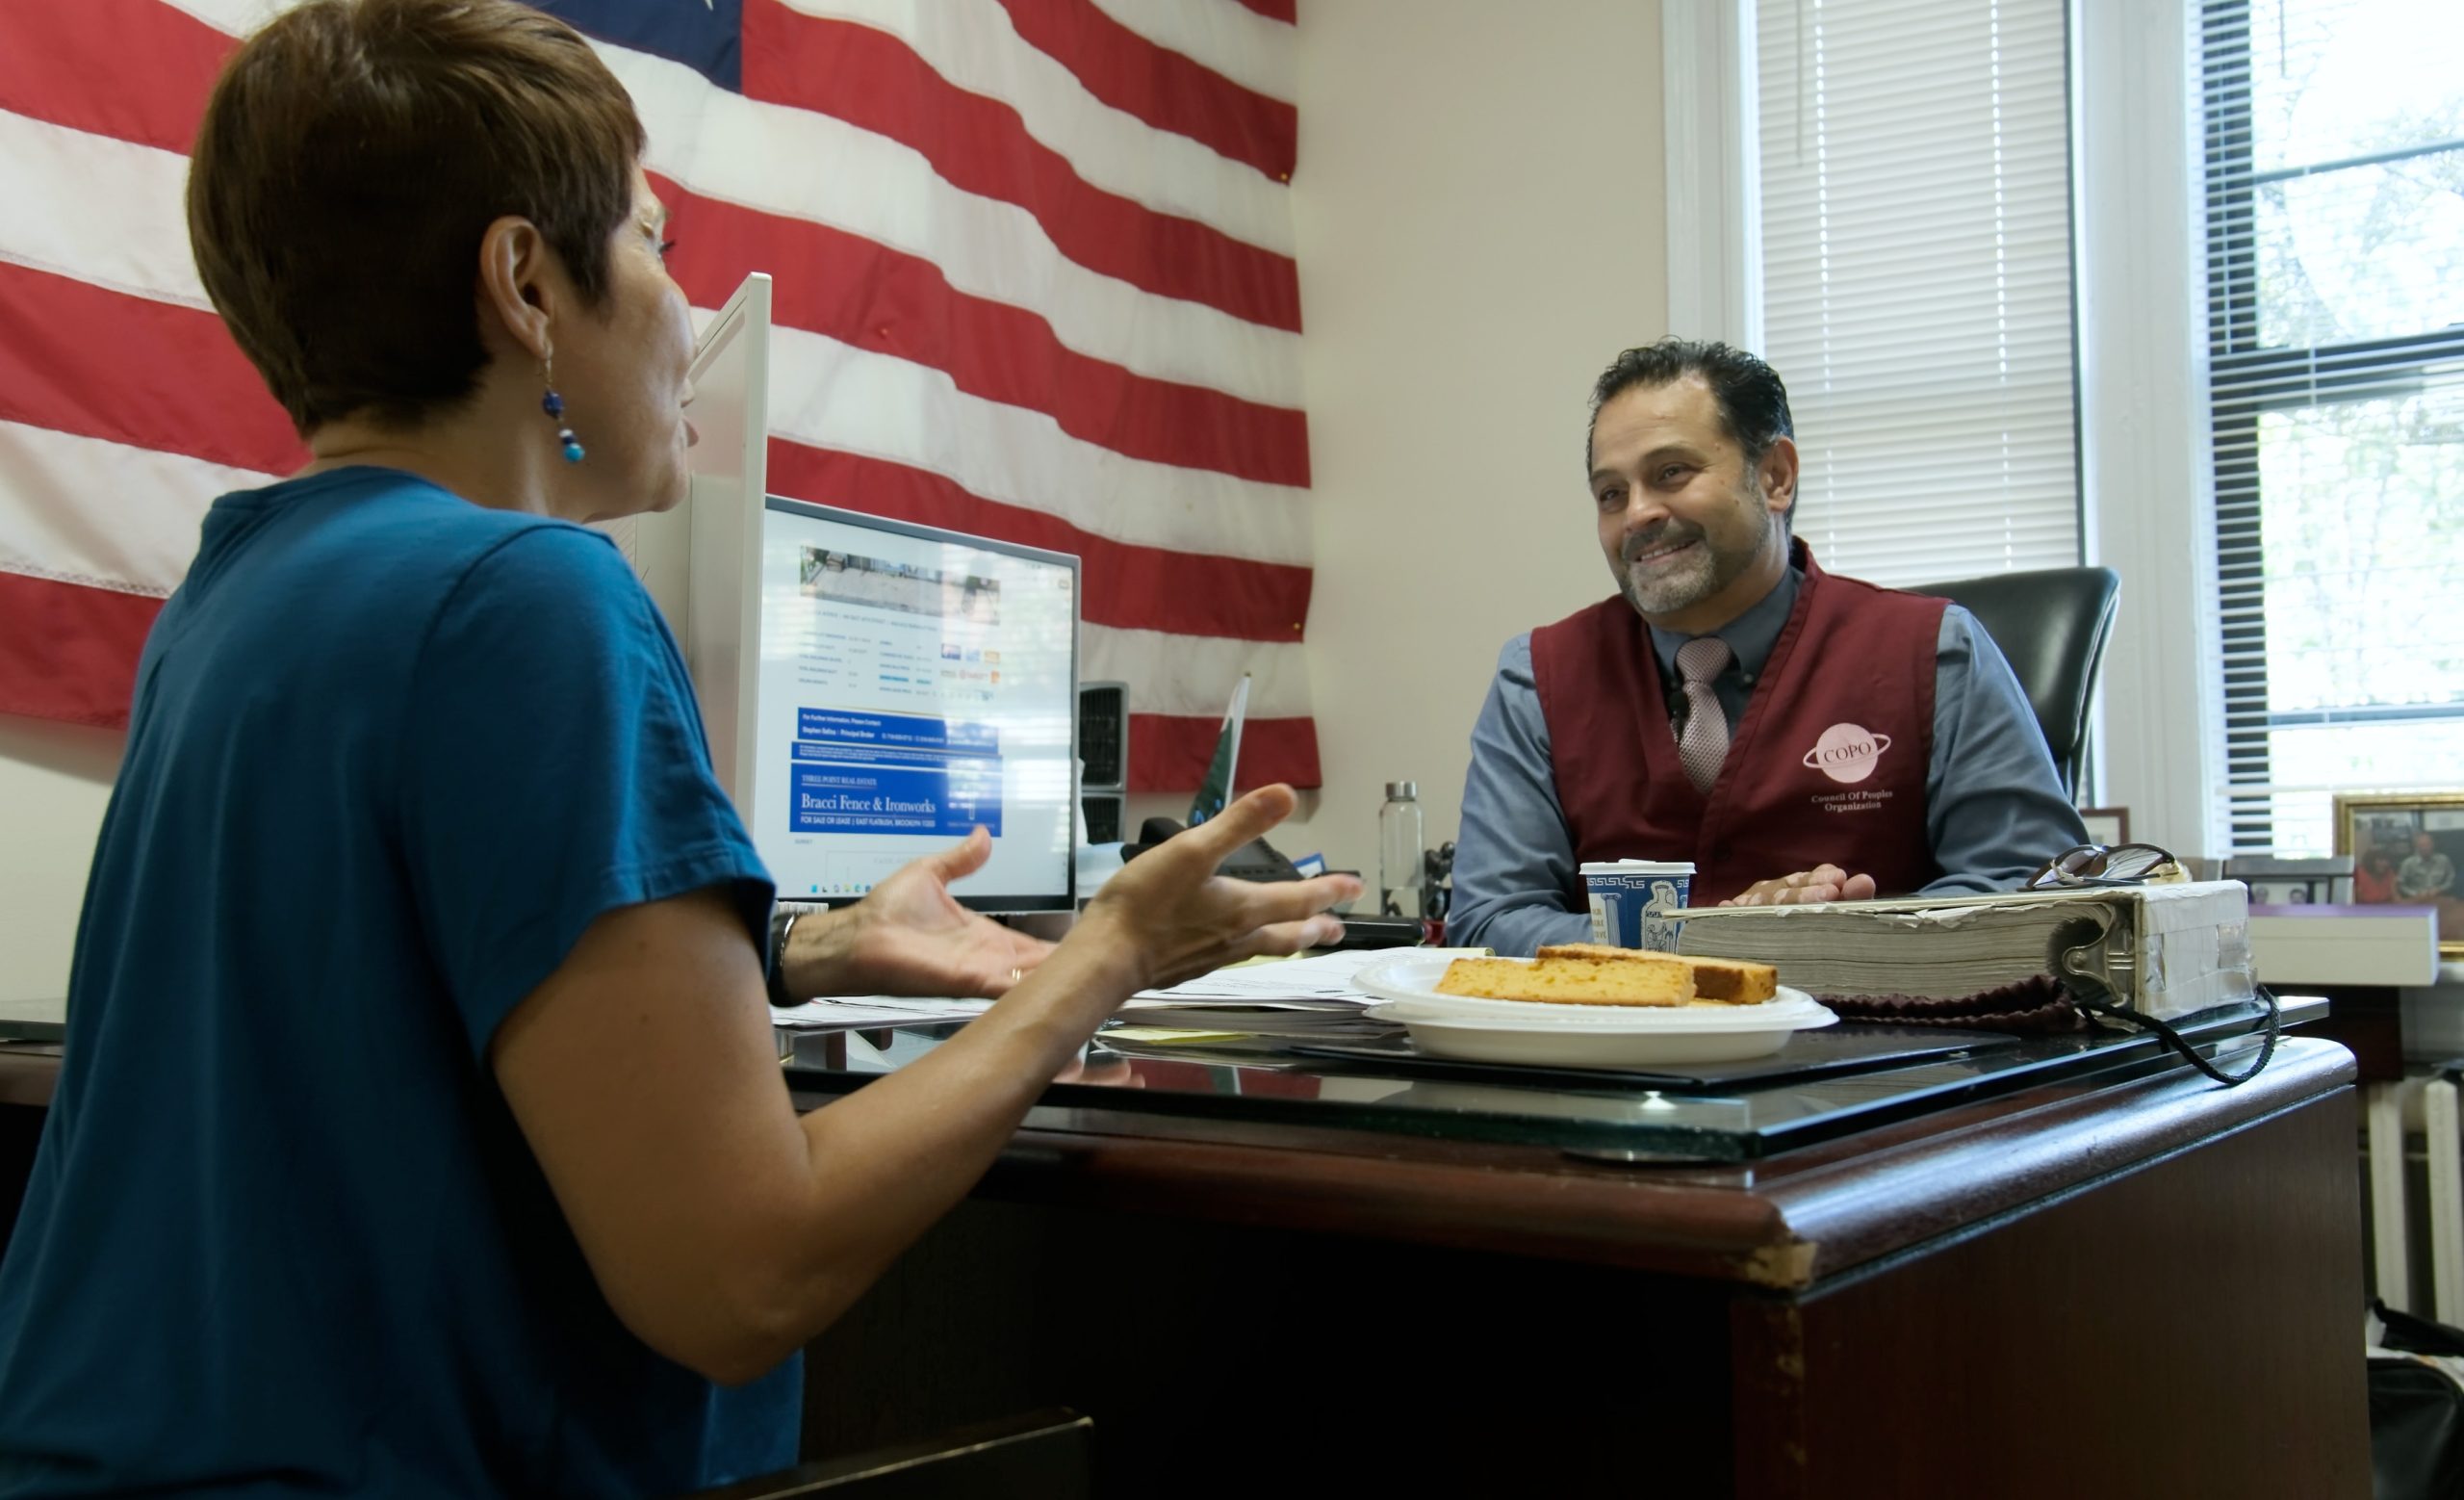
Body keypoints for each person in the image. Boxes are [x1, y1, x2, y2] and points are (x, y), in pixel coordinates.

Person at [0, 3, 1356, 1495]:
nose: (684, 305)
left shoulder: (234, 593)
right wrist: (1110, 950)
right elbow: (741, 1278)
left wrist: (813, 948)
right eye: (652, 240)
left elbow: (388, 989)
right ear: (526, 282)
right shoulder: (532, 595)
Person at [1449, 339, 2086, 955]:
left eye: (1671, 473)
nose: (1637, 514)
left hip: (1872, 1052)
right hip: (1617, 1055)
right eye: (1611, 494)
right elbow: (1489, 921)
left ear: (1775, 476)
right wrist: (1712, 939)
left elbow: (2031, 895)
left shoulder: (1936, 653)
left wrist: (1827, 940)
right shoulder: (1537, 676)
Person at [2398, 831, 2457, 901]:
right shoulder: (2408, 863)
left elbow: (2452, 880)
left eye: (2427, 844)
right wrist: (2415, 893)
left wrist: (2440, 889)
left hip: (2439, 897)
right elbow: (2401, 885)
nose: (2425, 848)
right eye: (2421, 845)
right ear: (2416, 847)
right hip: (2417, 899)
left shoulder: (2444, 860)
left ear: (2433, 845)